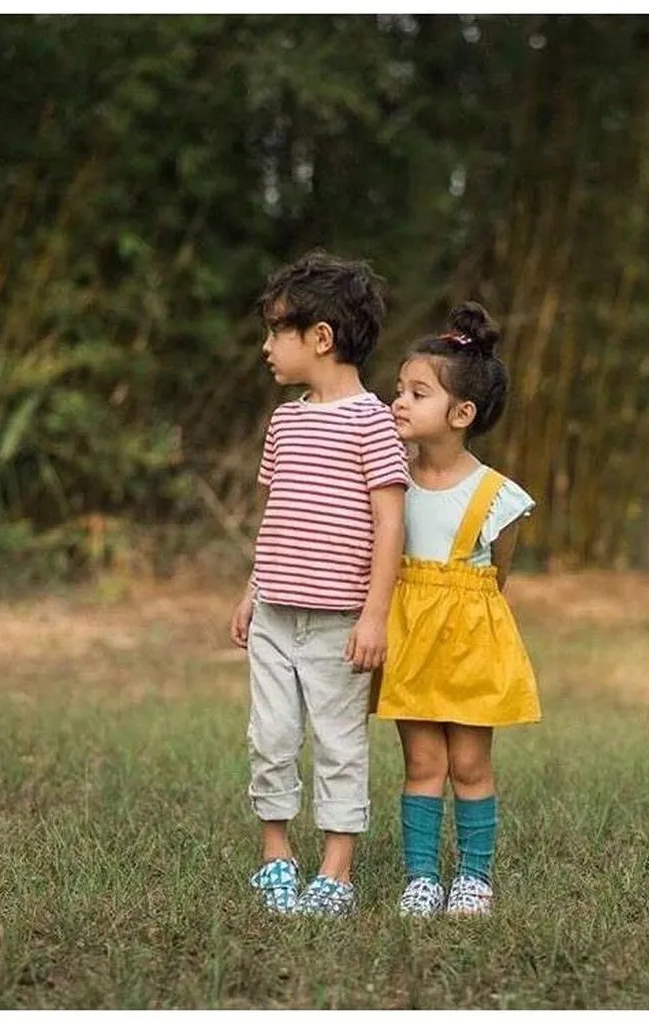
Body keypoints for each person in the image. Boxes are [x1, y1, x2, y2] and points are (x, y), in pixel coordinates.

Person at [229, 250, 409, 918]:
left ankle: (336, 871)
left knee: (338, 745)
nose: (267, 345)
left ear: (321, 338)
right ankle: (276, 854)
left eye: (278, 331)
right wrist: (254, 587)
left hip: (340, 625)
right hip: (276, 615)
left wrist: (374, 616)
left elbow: (391, 523)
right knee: (270, 735)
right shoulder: (286, 421)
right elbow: (275, 517)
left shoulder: (372, 423)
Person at [373, 301, 542, 917]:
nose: (398, 402)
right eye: (399, 389)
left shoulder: (495, 494)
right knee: (421, 762)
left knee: (469, 764)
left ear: (461, 413)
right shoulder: (389, 479)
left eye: (416, 393)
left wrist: (464, 605)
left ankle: (474, 879)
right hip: (410, 636)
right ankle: (420, 877)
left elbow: (500, 569)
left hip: (471, 639)